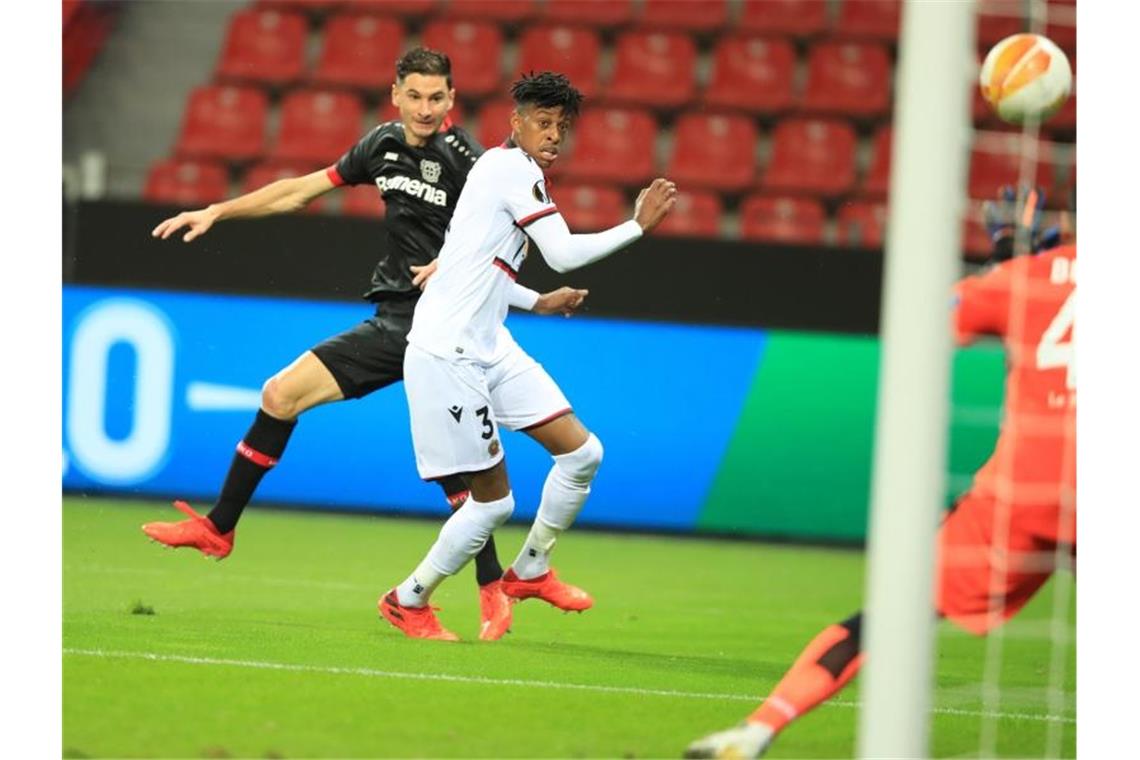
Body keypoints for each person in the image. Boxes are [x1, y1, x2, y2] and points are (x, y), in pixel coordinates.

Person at [141, 48, 589, 642]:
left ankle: (484, 588)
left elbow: (498, 244)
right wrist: (219, 210)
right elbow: (301, 190)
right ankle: (222, 527)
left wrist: (466, 272)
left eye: (438, 97)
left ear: (453, 100)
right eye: (416, 96)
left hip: (436, 325)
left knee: (471, 482)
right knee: (284, 397)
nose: (426, 109)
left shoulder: (471, 163)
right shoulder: (381, 145)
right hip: (396, 321)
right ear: (396, 94)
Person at [685, 187, 1076, 758]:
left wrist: (1011, 263)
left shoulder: (1028, 275)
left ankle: (759, 728)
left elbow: (933, 326)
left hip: (1022, 489)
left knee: (894, 611)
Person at [376, 71, 677, 641]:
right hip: (448, 355)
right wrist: (637, 226)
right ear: (515, 123)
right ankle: (407, 599)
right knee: (492, 506)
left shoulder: (510, 174)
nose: (553, 134)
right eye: (543, 122)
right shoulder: (510, 169)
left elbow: (476, 269)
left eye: (561, 126)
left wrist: (535, 299)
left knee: (583, 454)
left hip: (491, 345)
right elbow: (561, 253)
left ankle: (532, 568)